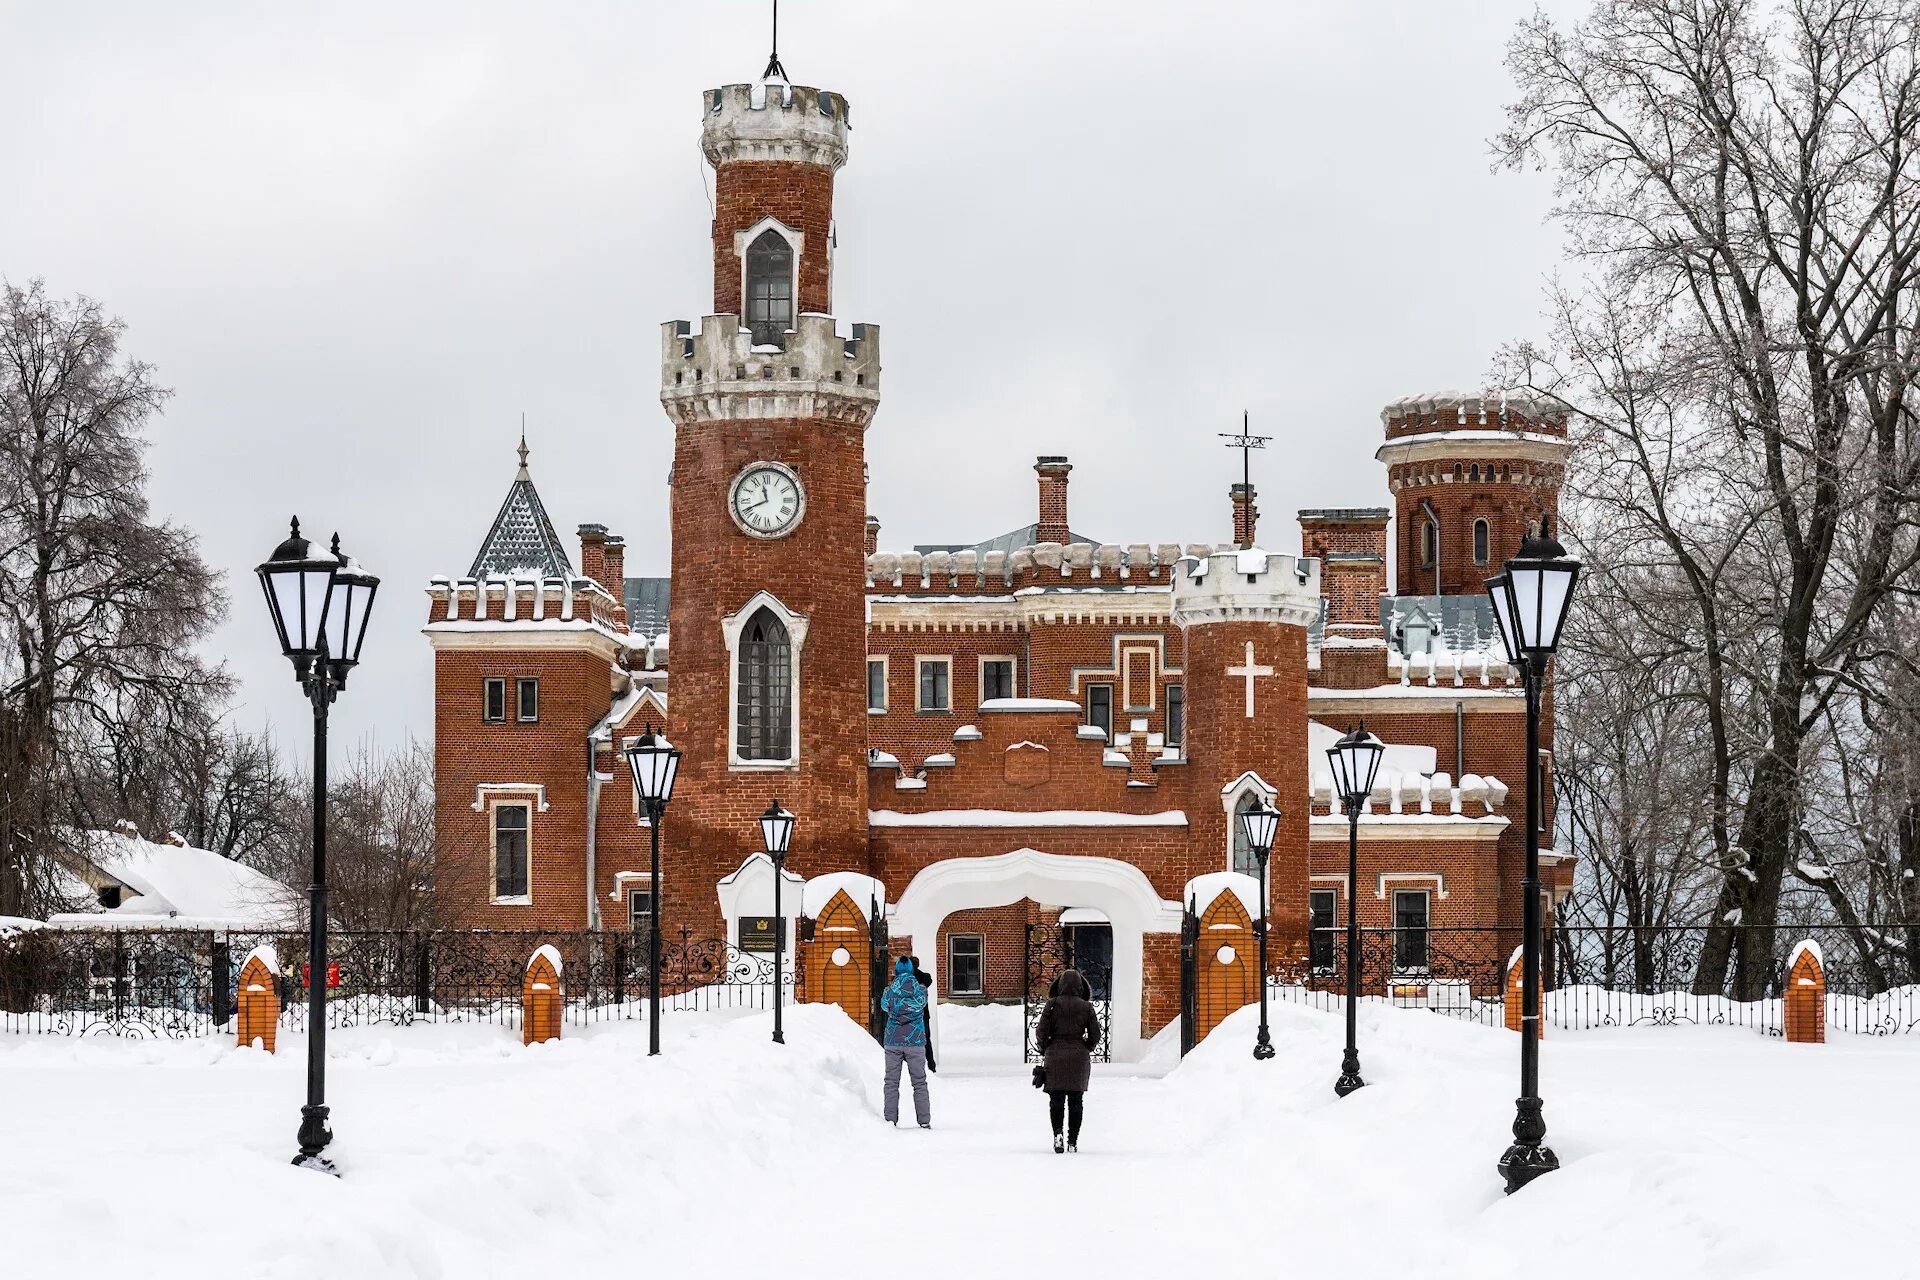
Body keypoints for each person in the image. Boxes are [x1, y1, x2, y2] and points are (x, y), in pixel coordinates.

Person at [1032, 968, 1100, 1153]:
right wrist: (1086, 1046)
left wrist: (1045, 1047)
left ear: (1059, 985)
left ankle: (1057, 1134)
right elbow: (1095, 1034)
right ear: (1080, 986)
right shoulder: (1086, 1007)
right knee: (1076, 1100)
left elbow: (1041, 1031)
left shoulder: (1052, 1004)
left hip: (1055, 1056)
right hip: (1079, 1057)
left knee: (1056, 1099)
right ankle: (1073, 1140)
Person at [879, 955, 931, 1128]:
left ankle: (890, 1120)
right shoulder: (921, 991)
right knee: (919, 1082)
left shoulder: (889, 992)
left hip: (893, 1041)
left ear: (896, 971)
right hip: (915, 1041)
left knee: (891, 1082)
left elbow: (884, 1007)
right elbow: (921, 1005)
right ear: (911, 970)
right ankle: (924, 1121)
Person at [908, 955, 937, 1073]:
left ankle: (912, 1065)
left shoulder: (907, 978)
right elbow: (927, 980)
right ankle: (931, 1065)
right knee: (926, 1040)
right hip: (923, 1015)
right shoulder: (924, 977)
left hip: (909, 1015)